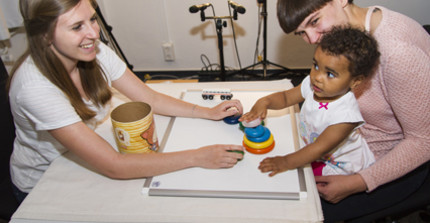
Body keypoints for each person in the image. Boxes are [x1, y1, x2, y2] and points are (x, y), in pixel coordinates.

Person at [7, 0, 244, 204]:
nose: (93, 33)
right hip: (44, 181)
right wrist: (197, 157)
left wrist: (206, 112)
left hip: (81, 154)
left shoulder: (93, 50)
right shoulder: (34, 88)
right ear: (45, 35)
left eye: (92, 19)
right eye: (77, 26)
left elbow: (148, 97)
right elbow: (114, 166)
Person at [276, 0, 430, 221]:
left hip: (385, 159)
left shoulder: (397, 53)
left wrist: (358, 182)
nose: (311, 39)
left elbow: (423, 141)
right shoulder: (353, 30)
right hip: (348, 142)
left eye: (315, 21)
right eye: (301, 33)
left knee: (297, 211)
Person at [240, 26, 379, 177]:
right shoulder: (314, 85)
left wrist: (285, 162)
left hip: (339, 164)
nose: (317, 77)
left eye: (330, 74)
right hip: (312, 146)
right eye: (316, 65)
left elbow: (318, 149)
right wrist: (265, 101)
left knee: (306, 182)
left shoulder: (345, 116)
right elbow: (286, 98)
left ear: (355, 81)